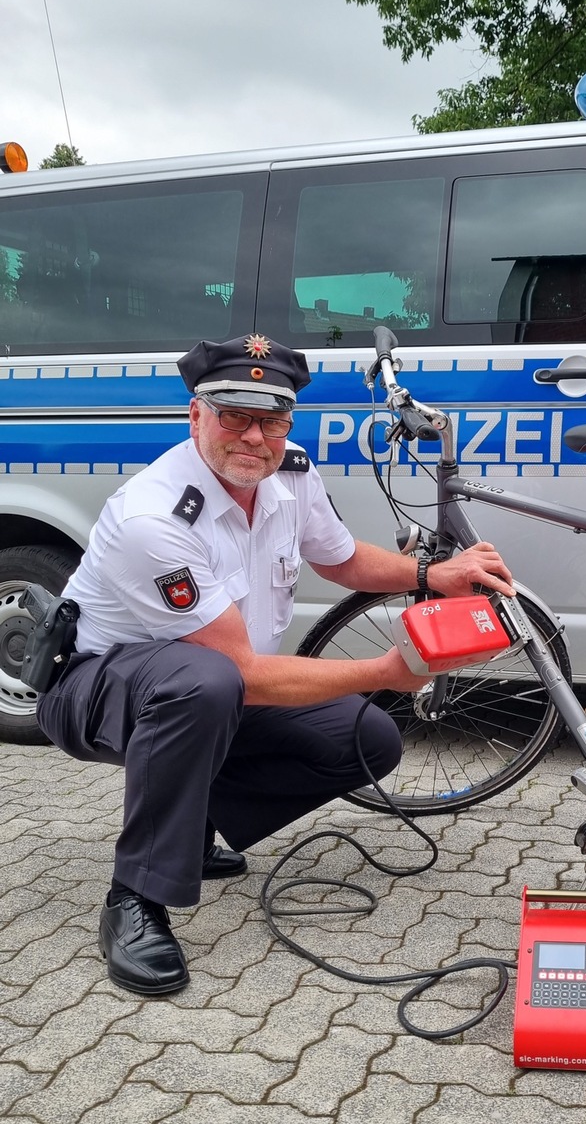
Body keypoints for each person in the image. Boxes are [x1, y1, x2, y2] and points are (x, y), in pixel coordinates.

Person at [36, 332, 513, 997]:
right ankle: (134, 899)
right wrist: (385, 671)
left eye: (272, 418)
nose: (255, 436)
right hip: (92, 687)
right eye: (234, 414)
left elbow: (340, 558)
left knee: (367, 737)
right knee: (205, 683)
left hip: (214, 684)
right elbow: (242, 671)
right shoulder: (156, 517)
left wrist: (436, 572)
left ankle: (191, 828)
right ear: (195, 415)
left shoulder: (290, 471)